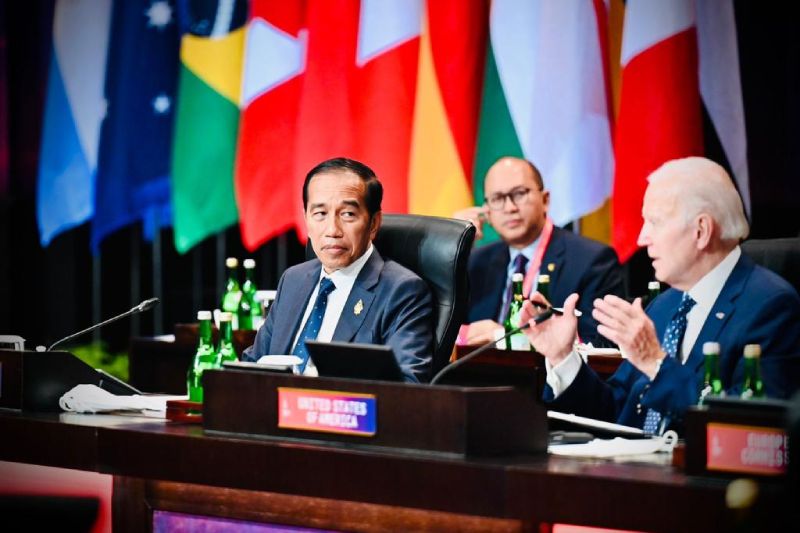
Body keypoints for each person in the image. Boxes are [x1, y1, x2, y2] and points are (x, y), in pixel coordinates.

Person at [521, 156, 800, 433]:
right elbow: (616, 412)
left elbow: (752, 429)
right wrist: (563, 358)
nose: (642, 238)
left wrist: (655, 361)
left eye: (654, 222)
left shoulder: (772, 307)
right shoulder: (664, 306)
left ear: (701, 231)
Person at [242, 157, 434, 383]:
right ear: (306, 220)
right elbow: (251, 365)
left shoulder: (402, 292)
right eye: (320, 214)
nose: (332, 230)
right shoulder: (294, 280)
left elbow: (407, 386)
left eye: (348, 214)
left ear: (373, 224)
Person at [454, 156, 624, 345]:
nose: (510, 207)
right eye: (497, 199)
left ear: (545, 200)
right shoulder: (476, 262)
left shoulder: (592, 261)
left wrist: (500, 337)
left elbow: (601, 345)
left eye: (519, 194)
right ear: (486, 211)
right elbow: (433, 325)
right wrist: (450, 246)